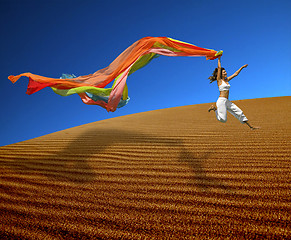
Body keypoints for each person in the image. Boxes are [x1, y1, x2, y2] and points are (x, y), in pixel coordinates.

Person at [208, 56, 260, 130]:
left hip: (227, 101)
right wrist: (219, 58)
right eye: (224, 72)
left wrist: (242, 67)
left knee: (239, 112)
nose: (225, 72)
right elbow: (219, 68)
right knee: (223, 119)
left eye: (225, 71)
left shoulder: (227, 80)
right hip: (221, 101)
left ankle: (251, 127)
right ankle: (214, 109)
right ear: (220, 74)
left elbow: (235, 74)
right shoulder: (219, 80)